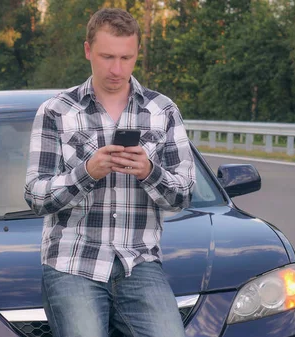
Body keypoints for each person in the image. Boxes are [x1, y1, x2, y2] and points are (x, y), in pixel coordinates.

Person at [24, 7, 195, 337]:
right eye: (107, 57)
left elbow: (183, 193)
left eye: (126, 58)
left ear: (137, 53)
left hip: (140, 262)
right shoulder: (56, 112)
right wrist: (87, 172)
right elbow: (35, 195)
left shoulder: (163, 111)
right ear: (88, 50)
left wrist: (149, 171)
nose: (117, 69)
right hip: (73, 262)